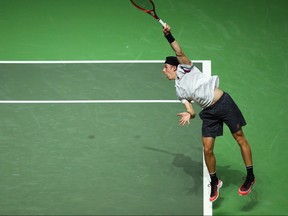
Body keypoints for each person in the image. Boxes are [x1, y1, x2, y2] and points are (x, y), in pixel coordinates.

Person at [161, 23, 255, 202]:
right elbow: (191, 110)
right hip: (209, 112)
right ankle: (214, 181)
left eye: (165, 67)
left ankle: (250, 176)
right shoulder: (179, 90)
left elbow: (179, 52)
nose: (163, 70)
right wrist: (190, 113)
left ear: (174, 67)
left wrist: (168, 36)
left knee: (239, 137)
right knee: (207, 148)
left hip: (223, 103)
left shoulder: (186, 68)